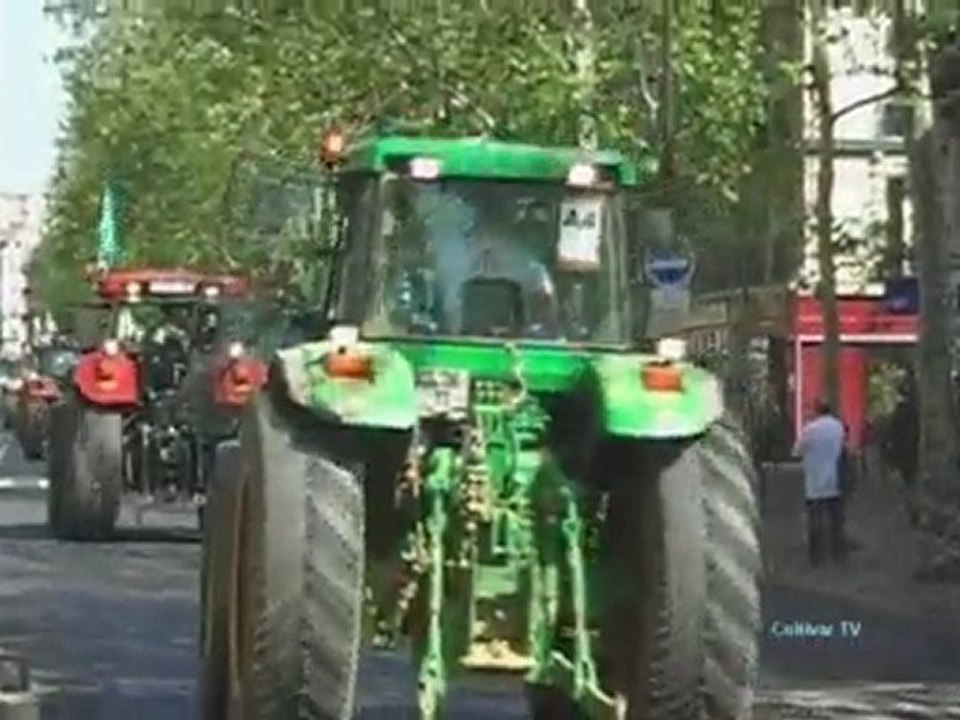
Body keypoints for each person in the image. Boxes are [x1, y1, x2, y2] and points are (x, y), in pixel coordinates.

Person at [794, 400, 847, 566]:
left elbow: (797, 451)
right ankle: (837, 551)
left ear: (817, 412)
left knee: (815, 519)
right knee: (835, 518)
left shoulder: (810, 429)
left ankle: (816, 555)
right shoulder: (838, 426)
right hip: (835, 478)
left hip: (814, 480)